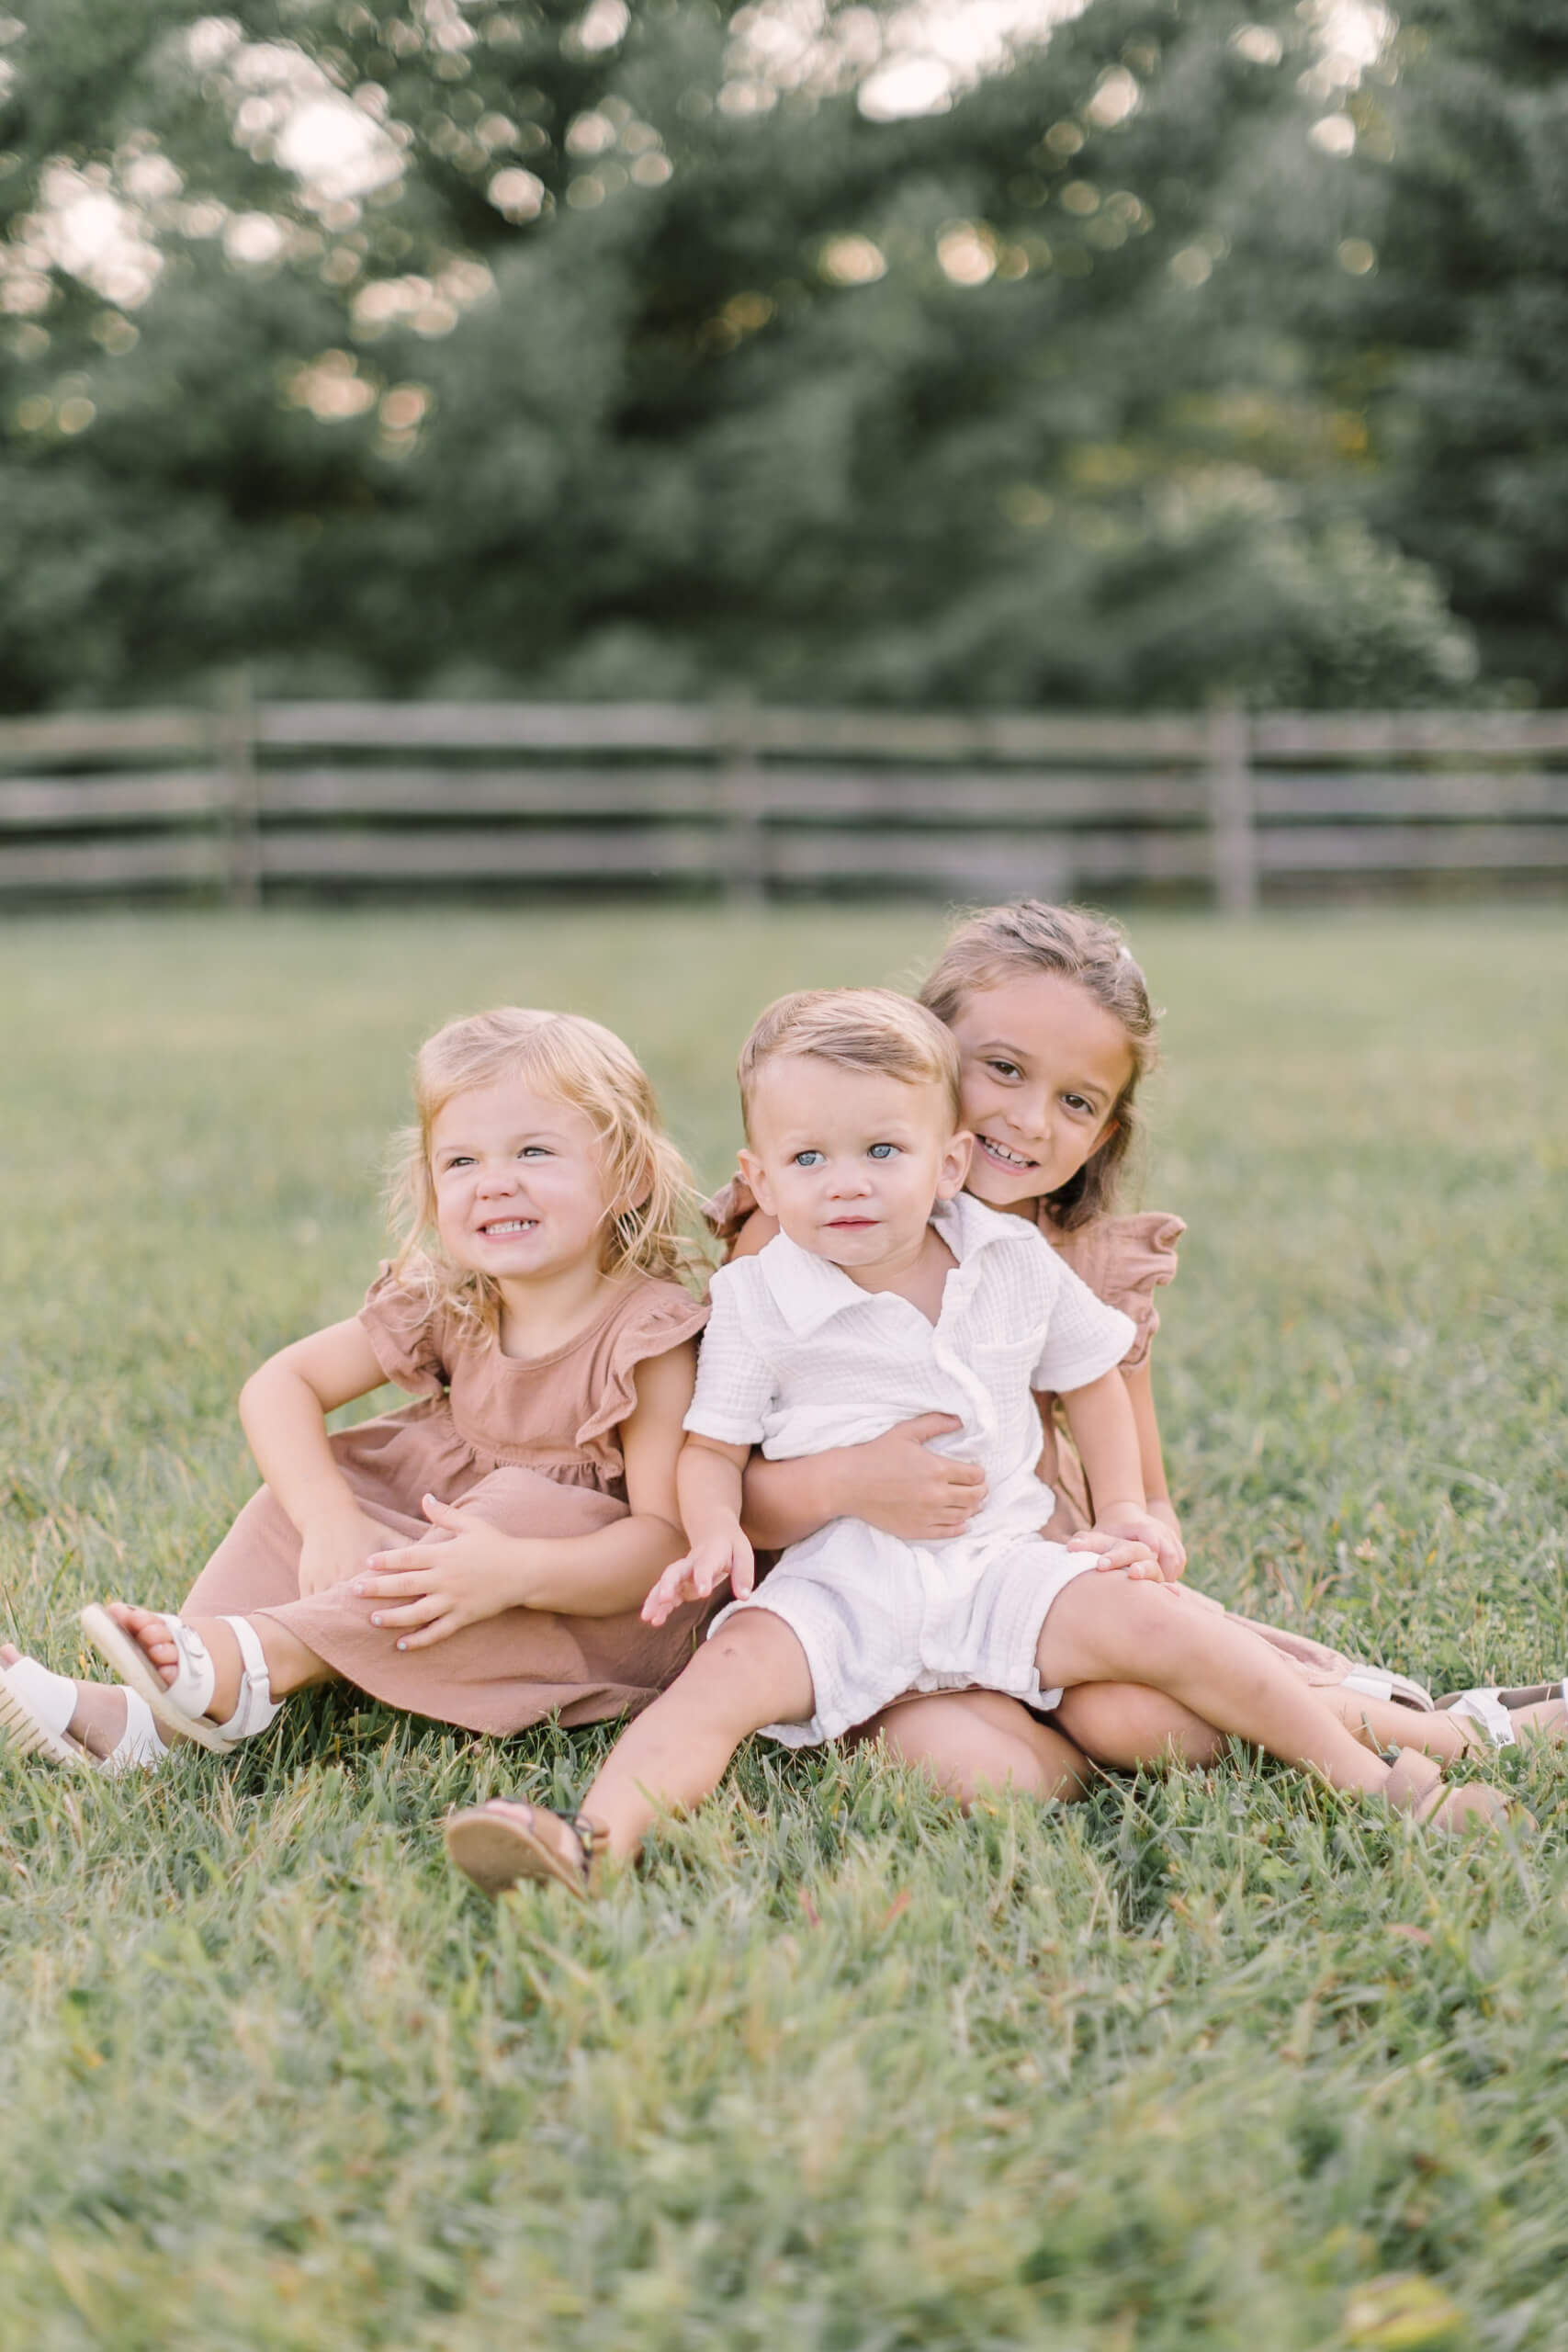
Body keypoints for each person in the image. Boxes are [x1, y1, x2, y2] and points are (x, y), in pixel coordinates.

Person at [445, 989, 1510, 1896]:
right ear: (759, 1177)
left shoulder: (1006, 1256)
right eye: (809, 1158)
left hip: (1005, 1562)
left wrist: (1127, 1509)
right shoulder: (758, 1296)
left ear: (948, 1159)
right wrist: (716, 1528)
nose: (848, 1182)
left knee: (1159, 1628)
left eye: (882, 1151)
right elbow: (711, 1448)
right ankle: (589, 1839)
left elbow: (1092, 1373)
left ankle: (1376, 1779)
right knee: (721, 1681)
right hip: (840, 1584)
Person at [712, 903, 1566, 1802]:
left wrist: (1143, 1529)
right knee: (988, 1775)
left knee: (1132, 1717)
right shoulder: (806, 1228)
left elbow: (1143, 1490)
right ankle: (1140, 1734)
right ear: (919, 1045)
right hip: (860, 1604)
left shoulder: (1081, 1263)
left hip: (1041, 1587)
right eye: (1003, 1068)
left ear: (1106, 1132)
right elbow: (723, 1482)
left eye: (1076, 1101)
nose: (1029, 1119)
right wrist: (846, 1482)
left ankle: (1450, 1730)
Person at [0, 1009, 709, 1770]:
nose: (495, 1183)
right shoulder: (453, 1297)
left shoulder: (648, 1339)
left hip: (583, 1610)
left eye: (533, 1152)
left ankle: (260, 1658)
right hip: (451, 1563)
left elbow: (665, 1543)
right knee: (302, 1495)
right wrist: (330, 1520)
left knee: (516, 1505)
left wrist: (513, 1571)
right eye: (461, 1162)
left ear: (629, 1176)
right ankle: (153, 1719)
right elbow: (282, 1384)